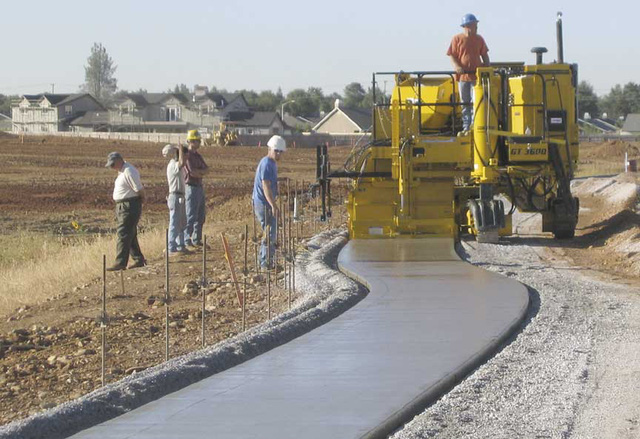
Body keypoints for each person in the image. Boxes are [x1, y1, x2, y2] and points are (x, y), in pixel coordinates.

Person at [447, 13, 490, 132]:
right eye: (474, 25)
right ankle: (467, 127)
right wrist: (457, 67)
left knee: (476, 101)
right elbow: (452, 55)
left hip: (476, 77)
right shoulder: (457, 39)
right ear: (467, 26)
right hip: (463, 77)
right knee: (465, 103)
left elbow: (485, 55)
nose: (476, 27)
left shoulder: (479, 39)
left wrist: (487, 68)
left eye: (476, 25)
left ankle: (475, 125)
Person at [105, 152, 146, 271]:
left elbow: (139, 189)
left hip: (129, 205)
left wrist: (141, 201)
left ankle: (120, 263)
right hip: (124, 205)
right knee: (130, 234)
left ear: (119, 160)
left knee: (123, 233)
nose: (112, 167)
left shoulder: (129, 171)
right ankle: (139, 259)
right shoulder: (123, 171)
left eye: (112, 164)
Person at [252, 135, 286, 269]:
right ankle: (265, 263)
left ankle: (265, 260)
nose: (278, 154)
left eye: (280, 152)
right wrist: (273, 205)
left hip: (265, 202)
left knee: (270, 231)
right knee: (270, 231)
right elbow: (265, 185)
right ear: (269, 149)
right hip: (263, 203)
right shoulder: (266, 163)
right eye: (276, 151)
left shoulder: (271, 163)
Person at [182, 130, 209, 248]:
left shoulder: (198, 156)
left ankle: (196, 239)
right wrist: (200, 172)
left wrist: (200, 173)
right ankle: (186, 240)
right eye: (197, 141)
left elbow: (206, 169)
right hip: (191, 188)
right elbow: (192, 173)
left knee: (200, 215)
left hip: (199, 187)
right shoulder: (186, 156)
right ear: (191, 141)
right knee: (191, 215)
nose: (199, 143)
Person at [162, 144, 190, 255]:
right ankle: (171, 247)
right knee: (174, 222)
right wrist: (181, 148)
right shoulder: (173, 165)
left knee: (181, 222)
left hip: (180, 196)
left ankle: (180, 245)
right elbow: (182, 162)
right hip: (175, 196)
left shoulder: (176, 166)